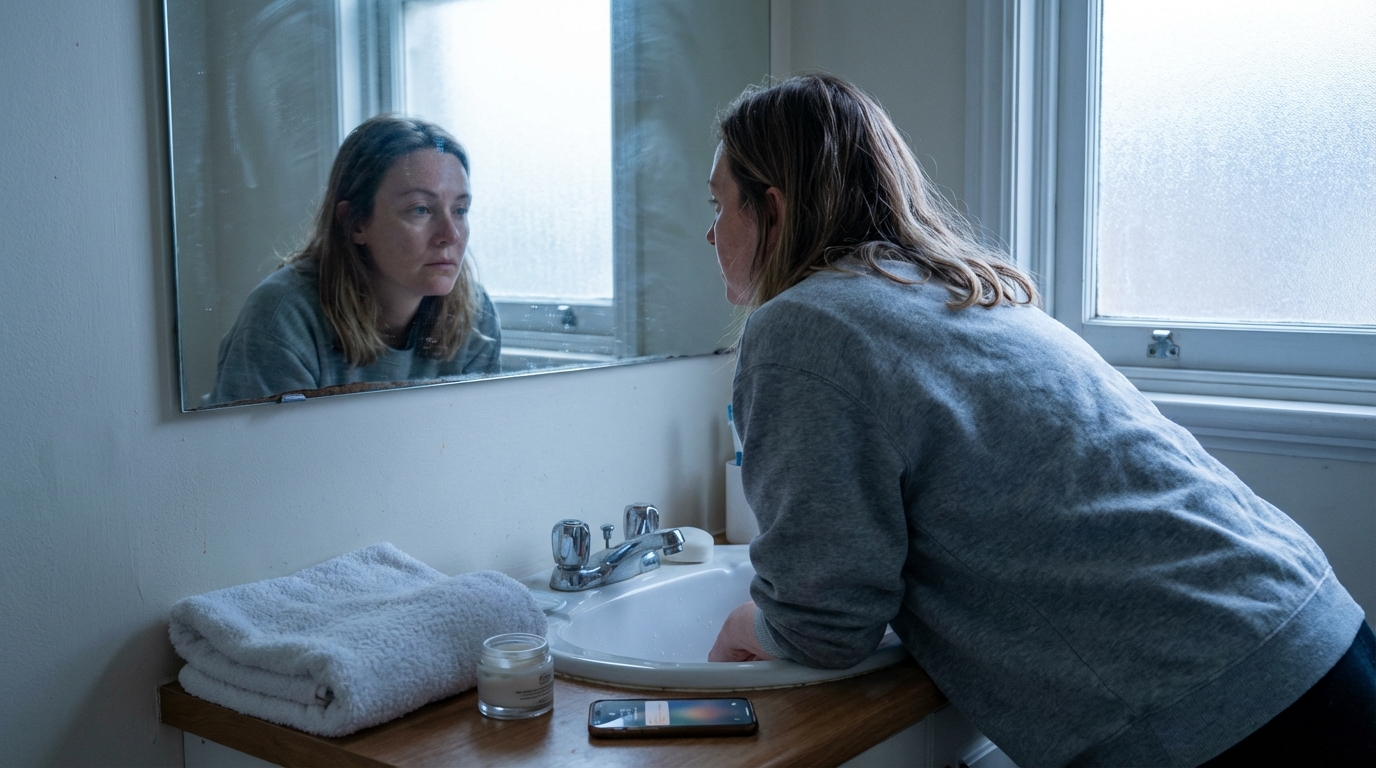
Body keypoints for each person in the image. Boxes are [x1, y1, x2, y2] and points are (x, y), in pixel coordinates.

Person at [704, 74, 1374, 767]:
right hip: (1311, 629)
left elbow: (823, 626)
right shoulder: (958, 292)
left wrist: (740, 624)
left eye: (719, 203)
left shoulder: (805, 325)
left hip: (1218, 703)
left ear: (774, 210)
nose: (709, 231)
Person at [211, 115, 501, 404]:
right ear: (356, 222)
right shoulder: (284, 316)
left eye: (460, 210)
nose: (450, 234)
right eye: (421, 209)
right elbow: (268, 450)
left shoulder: (474, 313)